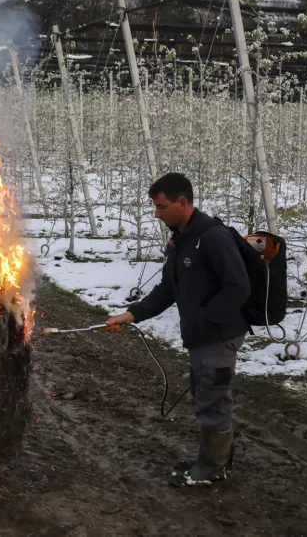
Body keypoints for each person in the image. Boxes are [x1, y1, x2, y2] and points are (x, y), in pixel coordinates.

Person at [106, 172, 250, 487]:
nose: (156, 214)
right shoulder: (180, 240)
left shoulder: (212, 237)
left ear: (182, 202)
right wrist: (131, 314)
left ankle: (213, 467)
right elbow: (167, 290)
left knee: (213, 396)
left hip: (219, 334)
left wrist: (205, 321)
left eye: (161, 207)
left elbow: (238, 287)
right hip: (201, 335)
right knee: (205, 393)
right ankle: (212, 459)